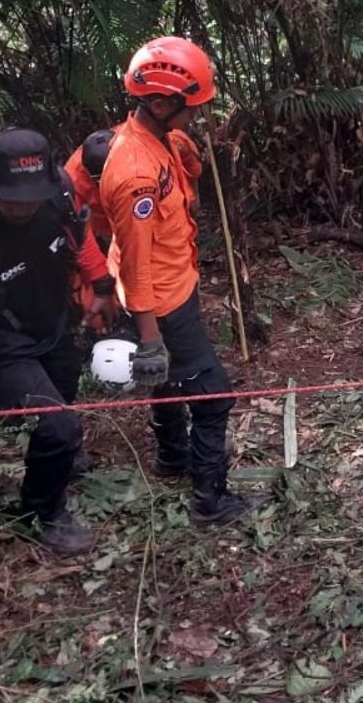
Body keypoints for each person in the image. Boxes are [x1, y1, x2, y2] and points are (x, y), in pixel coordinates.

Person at [0, 128, 116, 556]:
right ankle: (45, 512)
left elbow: (82, 239)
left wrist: (103, 286)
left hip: (49, 321)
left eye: (31, 196)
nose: (23, 206)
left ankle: (60, 458)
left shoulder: (60, 200)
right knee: (57, 423)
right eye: (12, 198)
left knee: (66, 388)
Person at [100, 35, 259, 526]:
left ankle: (172, 457)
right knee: (213, 396)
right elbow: (136, 264)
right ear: (161, 101)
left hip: (175, 287)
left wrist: (184, 151)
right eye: (191, 109)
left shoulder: (157, 141)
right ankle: (210, 501)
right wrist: (150, 340)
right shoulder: (135, 176)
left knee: (172, 381)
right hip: (161, 302)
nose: (197, 117)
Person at [63, 124, 204, 245]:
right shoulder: (71, 184)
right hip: (112, 223)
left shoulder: (150, 139)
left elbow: (184, 149)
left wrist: (194, 195)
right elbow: (79, 232)